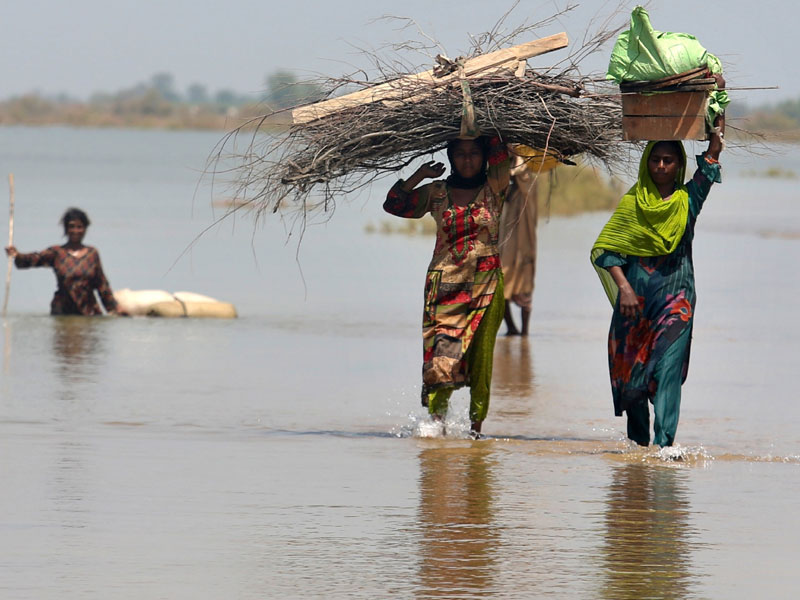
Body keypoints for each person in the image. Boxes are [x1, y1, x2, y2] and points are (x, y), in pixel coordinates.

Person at [590, 82, 725, 447]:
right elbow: (606, 250)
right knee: (632, 385)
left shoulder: (688, 199)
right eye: (656, 159)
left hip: (675, 302)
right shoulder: (632, 204)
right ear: (647, 162)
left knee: (666, 372)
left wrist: (716, 103)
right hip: (634, 305)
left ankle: (666, 449)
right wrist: (625, 289)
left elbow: (713, 152)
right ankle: (638, 454)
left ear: (679, 164)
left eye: (669, 160)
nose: (662, 166)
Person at [384, 135, 510, 437]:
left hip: (487, 284)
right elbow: (394, 204)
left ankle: (476, 431)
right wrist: (420, 175)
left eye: (474, 154)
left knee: (481, 359)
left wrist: (474, 111)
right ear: (451, 158)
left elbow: (498, 146)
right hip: (444, 287)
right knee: (441, 356)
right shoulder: (437, 192)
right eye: (461, 154)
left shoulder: (495, 187)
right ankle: (435, 426)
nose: (468, 160)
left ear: (483, 157)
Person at [5, 207, 125, 316]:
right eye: (72, 226)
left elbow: (102, 285)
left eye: (80, 227)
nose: (75, 231)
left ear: (85, 229)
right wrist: (17, 255)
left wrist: (115, 308)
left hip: (88, 311)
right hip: (62, 312)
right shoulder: (57, 253)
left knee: (88, 338)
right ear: (66, 229)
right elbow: (34, 259)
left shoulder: (92, 254)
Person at [499, 149, 541, 336]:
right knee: (500, 285)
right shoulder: (509, 187)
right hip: (506, 242)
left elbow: (519, 171)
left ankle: (524, 333)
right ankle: (511, 329)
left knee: (524, 285)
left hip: (525, 241)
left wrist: (515, 157)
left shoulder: (528, 180)